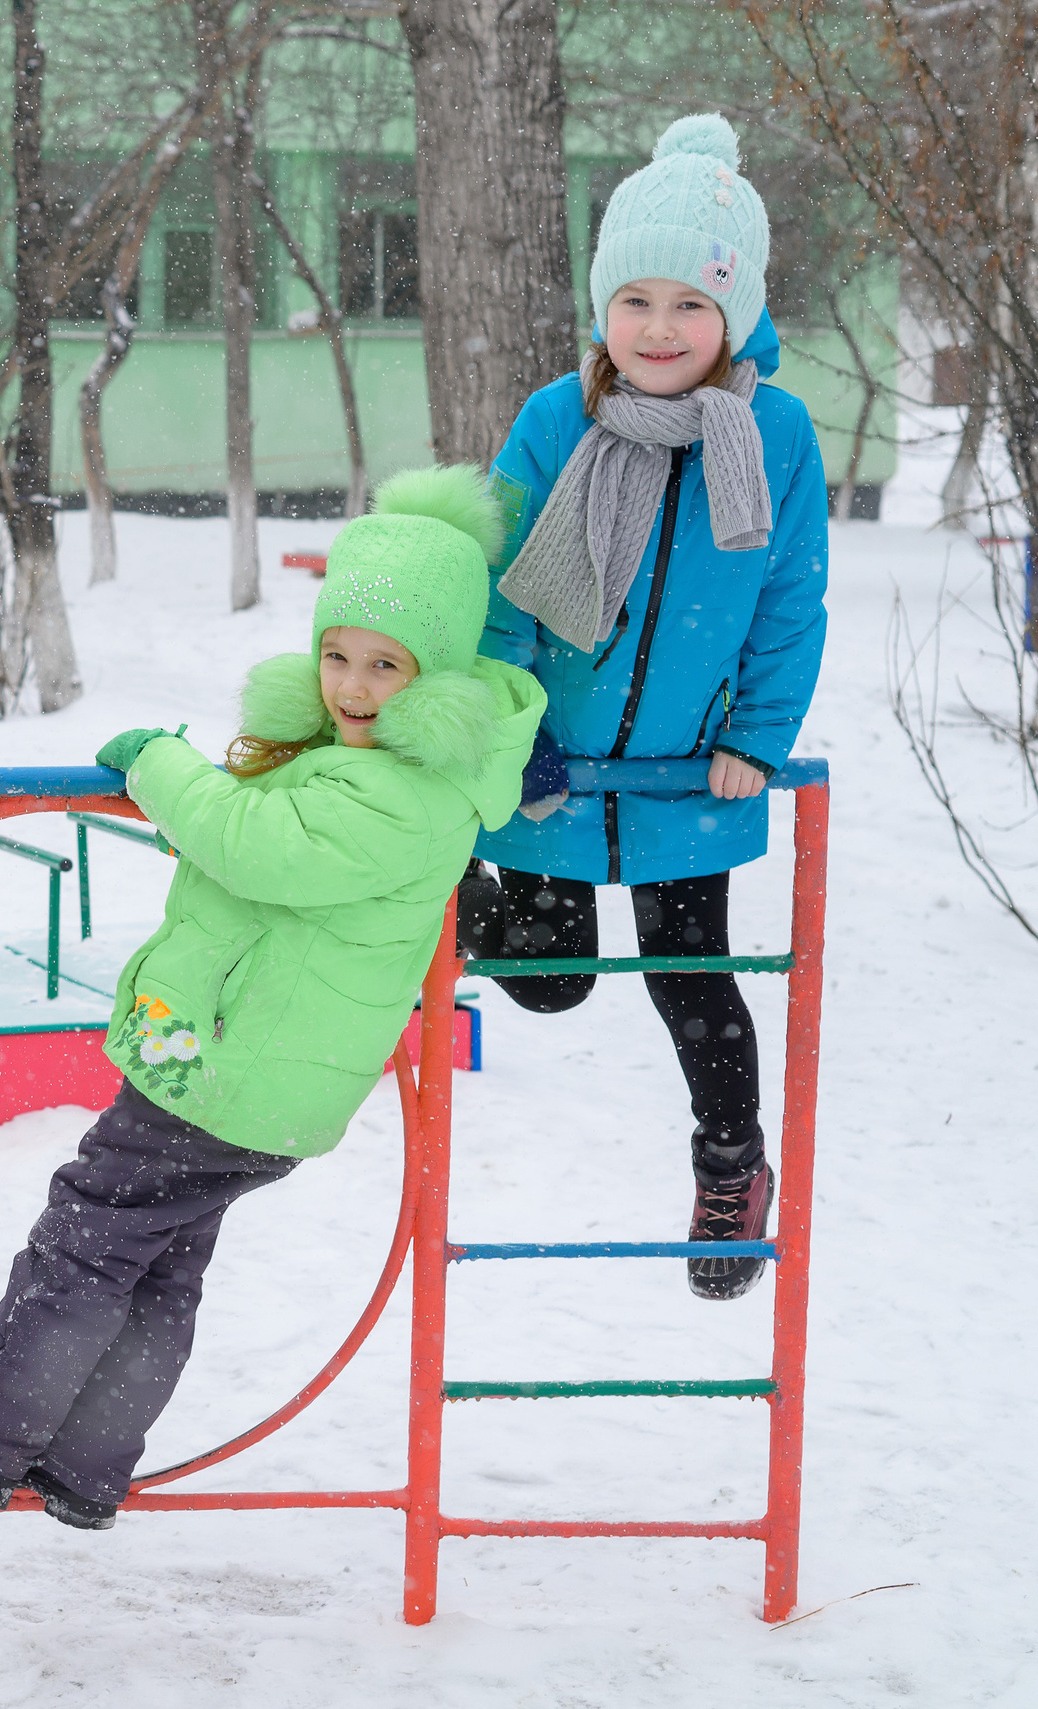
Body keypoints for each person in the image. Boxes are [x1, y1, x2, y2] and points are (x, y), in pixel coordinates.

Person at [0, 469, 544, 1530]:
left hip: (219, 1066)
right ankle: (86, 1465)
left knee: (87, 1234)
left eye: (386, 665)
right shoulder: (374, 766)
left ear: (437, 677)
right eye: (336, 655)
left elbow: (246, 842)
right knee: (156, 1262)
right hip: (258, 1076)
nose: (353, 685)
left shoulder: (400, 793)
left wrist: (160, 764)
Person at [458, 113, 828, 1302]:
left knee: (690, 981)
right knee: (556, 977)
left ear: (736, 315)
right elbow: (504, 596)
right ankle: (463, 898)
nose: (659, 329)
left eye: (689, 304)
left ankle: (731, 1167)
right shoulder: (553, 418)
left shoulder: (772, 433)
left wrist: (753, 739)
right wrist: (510, 730)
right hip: (558, 767)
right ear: (601, 307)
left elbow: (787, 601)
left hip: (682, 775)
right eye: (635, 300)